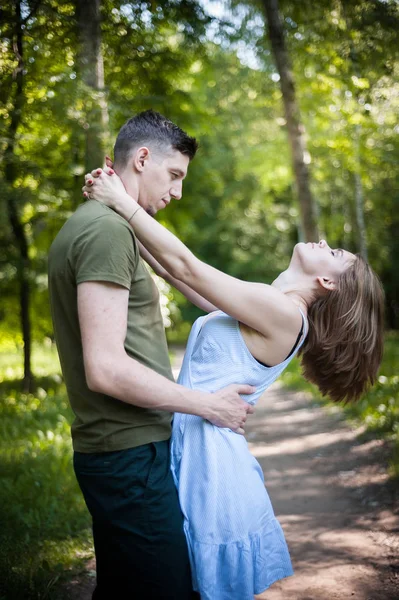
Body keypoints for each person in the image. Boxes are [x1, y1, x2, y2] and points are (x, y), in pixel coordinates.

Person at [83, 165, 385, 600]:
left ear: (327, 282)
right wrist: (119, 211)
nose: (323, 242)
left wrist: (120, 200)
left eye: (334, 252)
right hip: (199, 450)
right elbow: (175, 274)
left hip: (212, 472)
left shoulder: (283, 314)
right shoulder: (270, 303)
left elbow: (188, 266)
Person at [48, 110, 255, 600]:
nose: (178, 191)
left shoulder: (113, 226)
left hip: (123, 452)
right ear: (142, 159)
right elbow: (105, 368)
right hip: (127, 455)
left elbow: (188, 277)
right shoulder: (106, 232)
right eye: (175, 175)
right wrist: (209, 405)